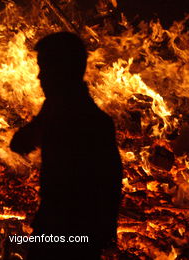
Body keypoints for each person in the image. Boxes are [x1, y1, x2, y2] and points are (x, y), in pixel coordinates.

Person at [10, 32, 123, 260]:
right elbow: (22, 143)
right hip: (70, 233)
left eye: (45, 68)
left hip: (68, 236)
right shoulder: (69, 112)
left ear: (61, 71)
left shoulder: (81, 119)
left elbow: (21, 143)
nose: (39, 76)